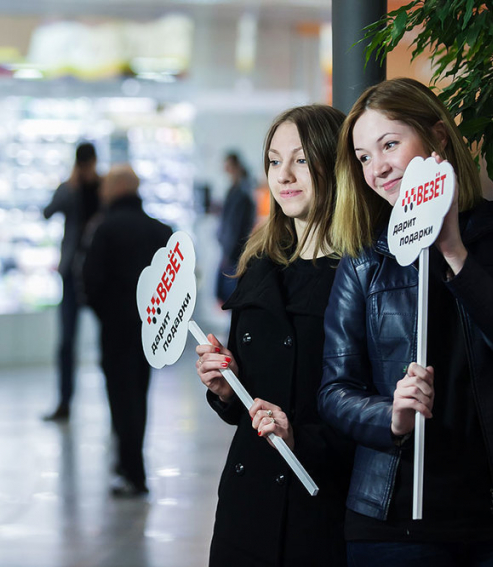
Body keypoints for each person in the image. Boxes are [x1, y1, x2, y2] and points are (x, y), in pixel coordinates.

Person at [318, 77, 493, 566]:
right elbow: (335, 390)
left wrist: (454, 251)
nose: (377, 168)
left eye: (390, 145)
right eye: (363, 157)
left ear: (438, 136)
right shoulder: (362, 257)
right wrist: (390, 416)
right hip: (393, 517)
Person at [195, 105, 353, 567]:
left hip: (322, 506)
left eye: (301, 159)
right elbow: (246, 406)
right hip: (247, 506)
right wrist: (227, 388)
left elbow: (378, 409)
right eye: (273, 160)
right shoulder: (259, 266)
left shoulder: (365, 274)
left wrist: (298, 436)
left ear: (335, 163)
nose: (283, 174)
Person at [82, 164, 172, 497]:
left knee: (121, 401)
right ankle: (130, 465)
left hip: (116, 331)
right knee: (139, 396)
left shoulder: (105, 230)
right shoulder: (161, 231)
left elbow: (90, 282)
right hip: (151, 333)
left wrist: (107, 315)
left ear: (116, 188)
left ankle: (133, 472)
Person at [42, 142, 102, 422]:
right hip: (71, 273)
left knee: (108, 341)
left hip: (99, 274)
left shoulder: (103, 188)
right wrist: (69, 187)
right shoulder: (70, 188)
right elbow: (48, 211)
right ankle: (64, 402)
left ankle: (112, 406)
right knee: (66, 342)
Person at [215, 151, 256, 304]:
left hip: (234, 253)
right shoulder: (235, 190)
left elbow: (236, 227)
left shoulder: (242, 192)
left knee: (231, 296)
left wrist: (228, 253)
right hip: (230, 251)